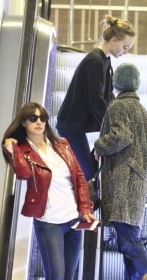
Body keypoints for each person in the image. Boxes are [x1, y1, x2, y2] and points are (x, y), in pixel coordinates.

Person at [1, 102, 96, 280]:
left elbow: (79, 178)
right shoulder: (23, 150)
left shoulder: (62, 145)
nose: (39, 121)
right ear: (23, 123)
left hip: (73, 220)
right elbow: (23, 173)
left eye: (42, 118)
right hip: (49, 223)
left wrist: (84, 208)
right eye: (33, 118)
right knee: (56, 277)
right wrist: (12, 149)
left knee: (69, 276)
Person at [94, 63, 147, 280]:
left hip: (122, 182)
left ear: (116, 82)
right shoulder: (141, 109)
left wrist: (99, 146)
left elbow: (122, 136)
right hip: (137, 183)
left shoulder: (117, 106)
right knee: (129, 241)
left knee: (128, 242)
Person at [56, 14, 137, 181]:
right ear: (115, 39)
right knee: (87, 174)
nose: (126, 52)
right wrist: (111, 126)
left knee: (91, 171)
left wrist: (118, 124)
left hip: (76, 126)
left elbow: (108, 99)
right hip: (70, 127)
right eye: (126, 46)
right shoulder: (95, 61)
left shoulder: (105, 62)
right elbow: (96, 101)